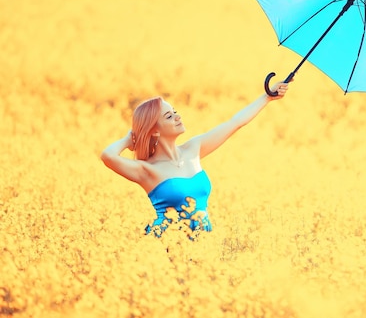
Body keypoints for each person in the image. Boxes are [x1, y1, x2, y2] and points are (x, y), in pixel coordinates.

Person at [100, 81, 291, 239]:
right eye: (169, 115)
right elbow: (107, 156)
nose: (177, 116)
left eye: (175, 111)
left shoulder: (193, 149)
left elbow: (235, 122)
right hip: (168, 247)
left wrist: (267, 97)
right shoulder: (147, 170)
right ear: (154, 129)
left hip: (203, 245)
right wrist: (129, 138)